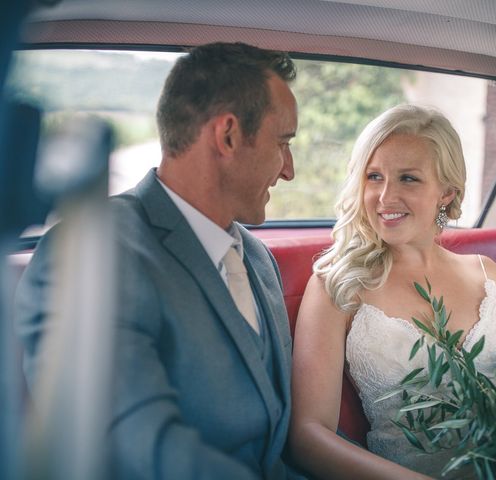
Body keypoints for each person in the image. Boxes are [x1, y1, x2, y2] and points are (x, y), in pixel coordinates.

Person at [15, 42, 304, 479]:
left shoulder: (258, 260)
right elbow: (132, 447)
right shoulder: (90, 253)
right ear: (227, 135)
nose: (289, 170)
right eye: (282, 143)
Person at [288, 104, 496, 479]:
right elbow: (308, 435)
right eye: (374, 176)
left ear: (447, 192)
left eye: (408, 179)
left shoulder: (486, 273)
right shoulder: (337, 286)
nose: (384, 197)